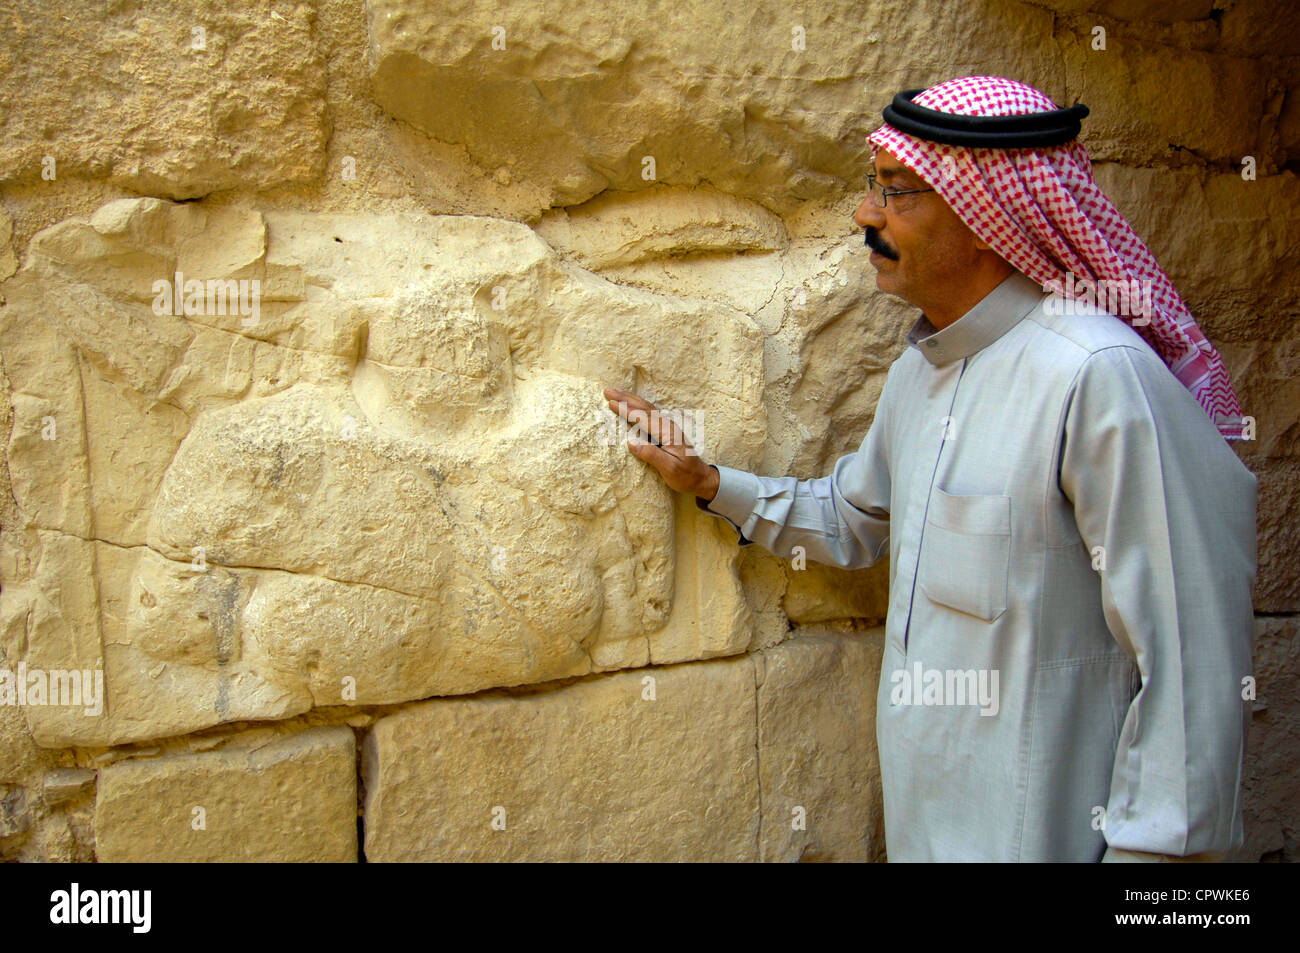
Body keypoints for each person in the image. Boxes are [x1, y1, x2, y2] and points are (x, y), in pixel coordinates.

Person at [604, 75, 1257, 862]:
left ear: (989, 216)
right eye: (874, 189)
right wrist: (710, 483)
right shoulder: (923, 370)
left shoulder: (1097, 377)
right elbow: (855, 520)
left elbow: (1194, 667)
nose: (866, 215)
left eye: (897, 192)